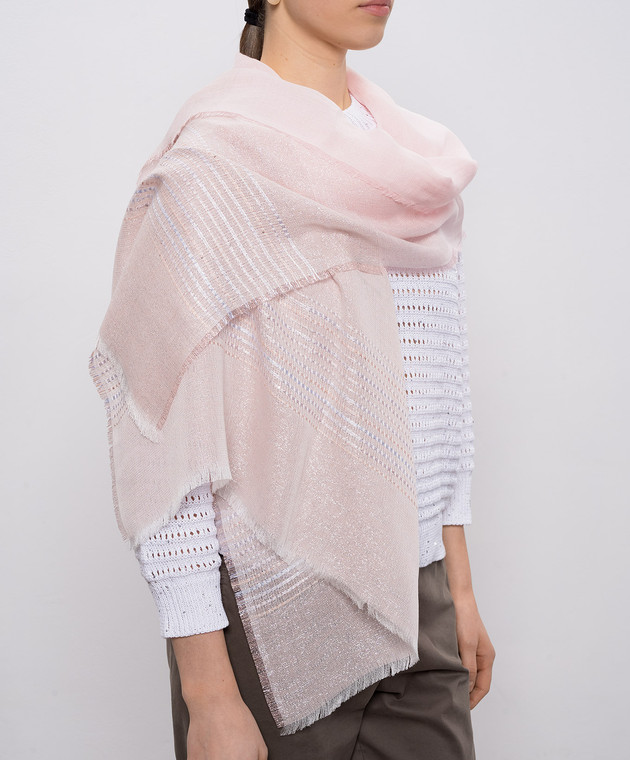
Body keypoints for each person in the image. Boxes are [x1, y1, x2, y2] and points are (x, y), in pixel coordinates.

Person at [89, 1, 495, 758]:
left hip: (420, 597)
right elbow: (163, 442)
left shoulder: (417, 167)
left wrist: (458, 590)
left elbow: (438, 396)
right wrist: (208, 694)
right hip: (267, 607)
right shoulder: (215, 165)